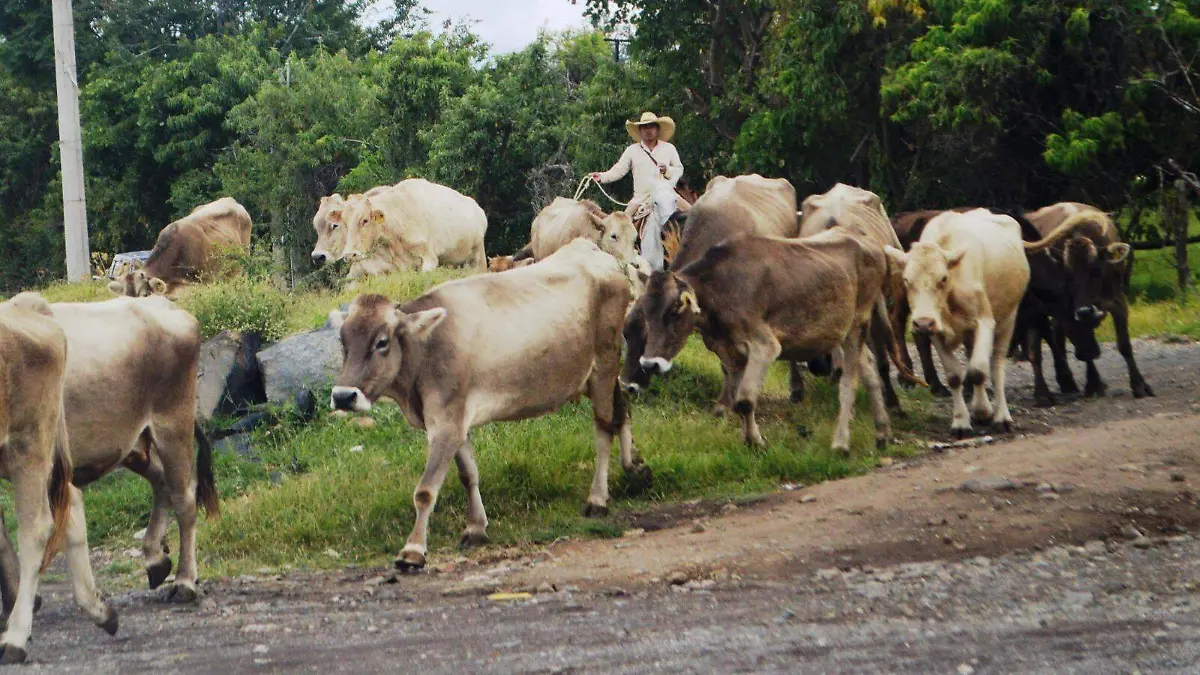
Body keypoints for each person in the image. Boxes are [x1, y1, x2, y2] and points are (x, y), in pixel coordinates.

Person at [590, 112, 684, 271]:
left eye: (652, 127)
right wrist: (602, 177)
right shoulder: (632, 151)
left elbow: (679, 170)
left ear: (657, 129)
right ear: (640, 131)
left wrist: (667, 169)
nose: (648, 131)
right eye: (644, 127)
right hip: (640, 199)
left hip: (666, 194)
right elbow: (618, 170)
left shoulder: (669, 149)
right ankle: (624, 263)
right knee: (620, 228)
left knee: (693, 213)